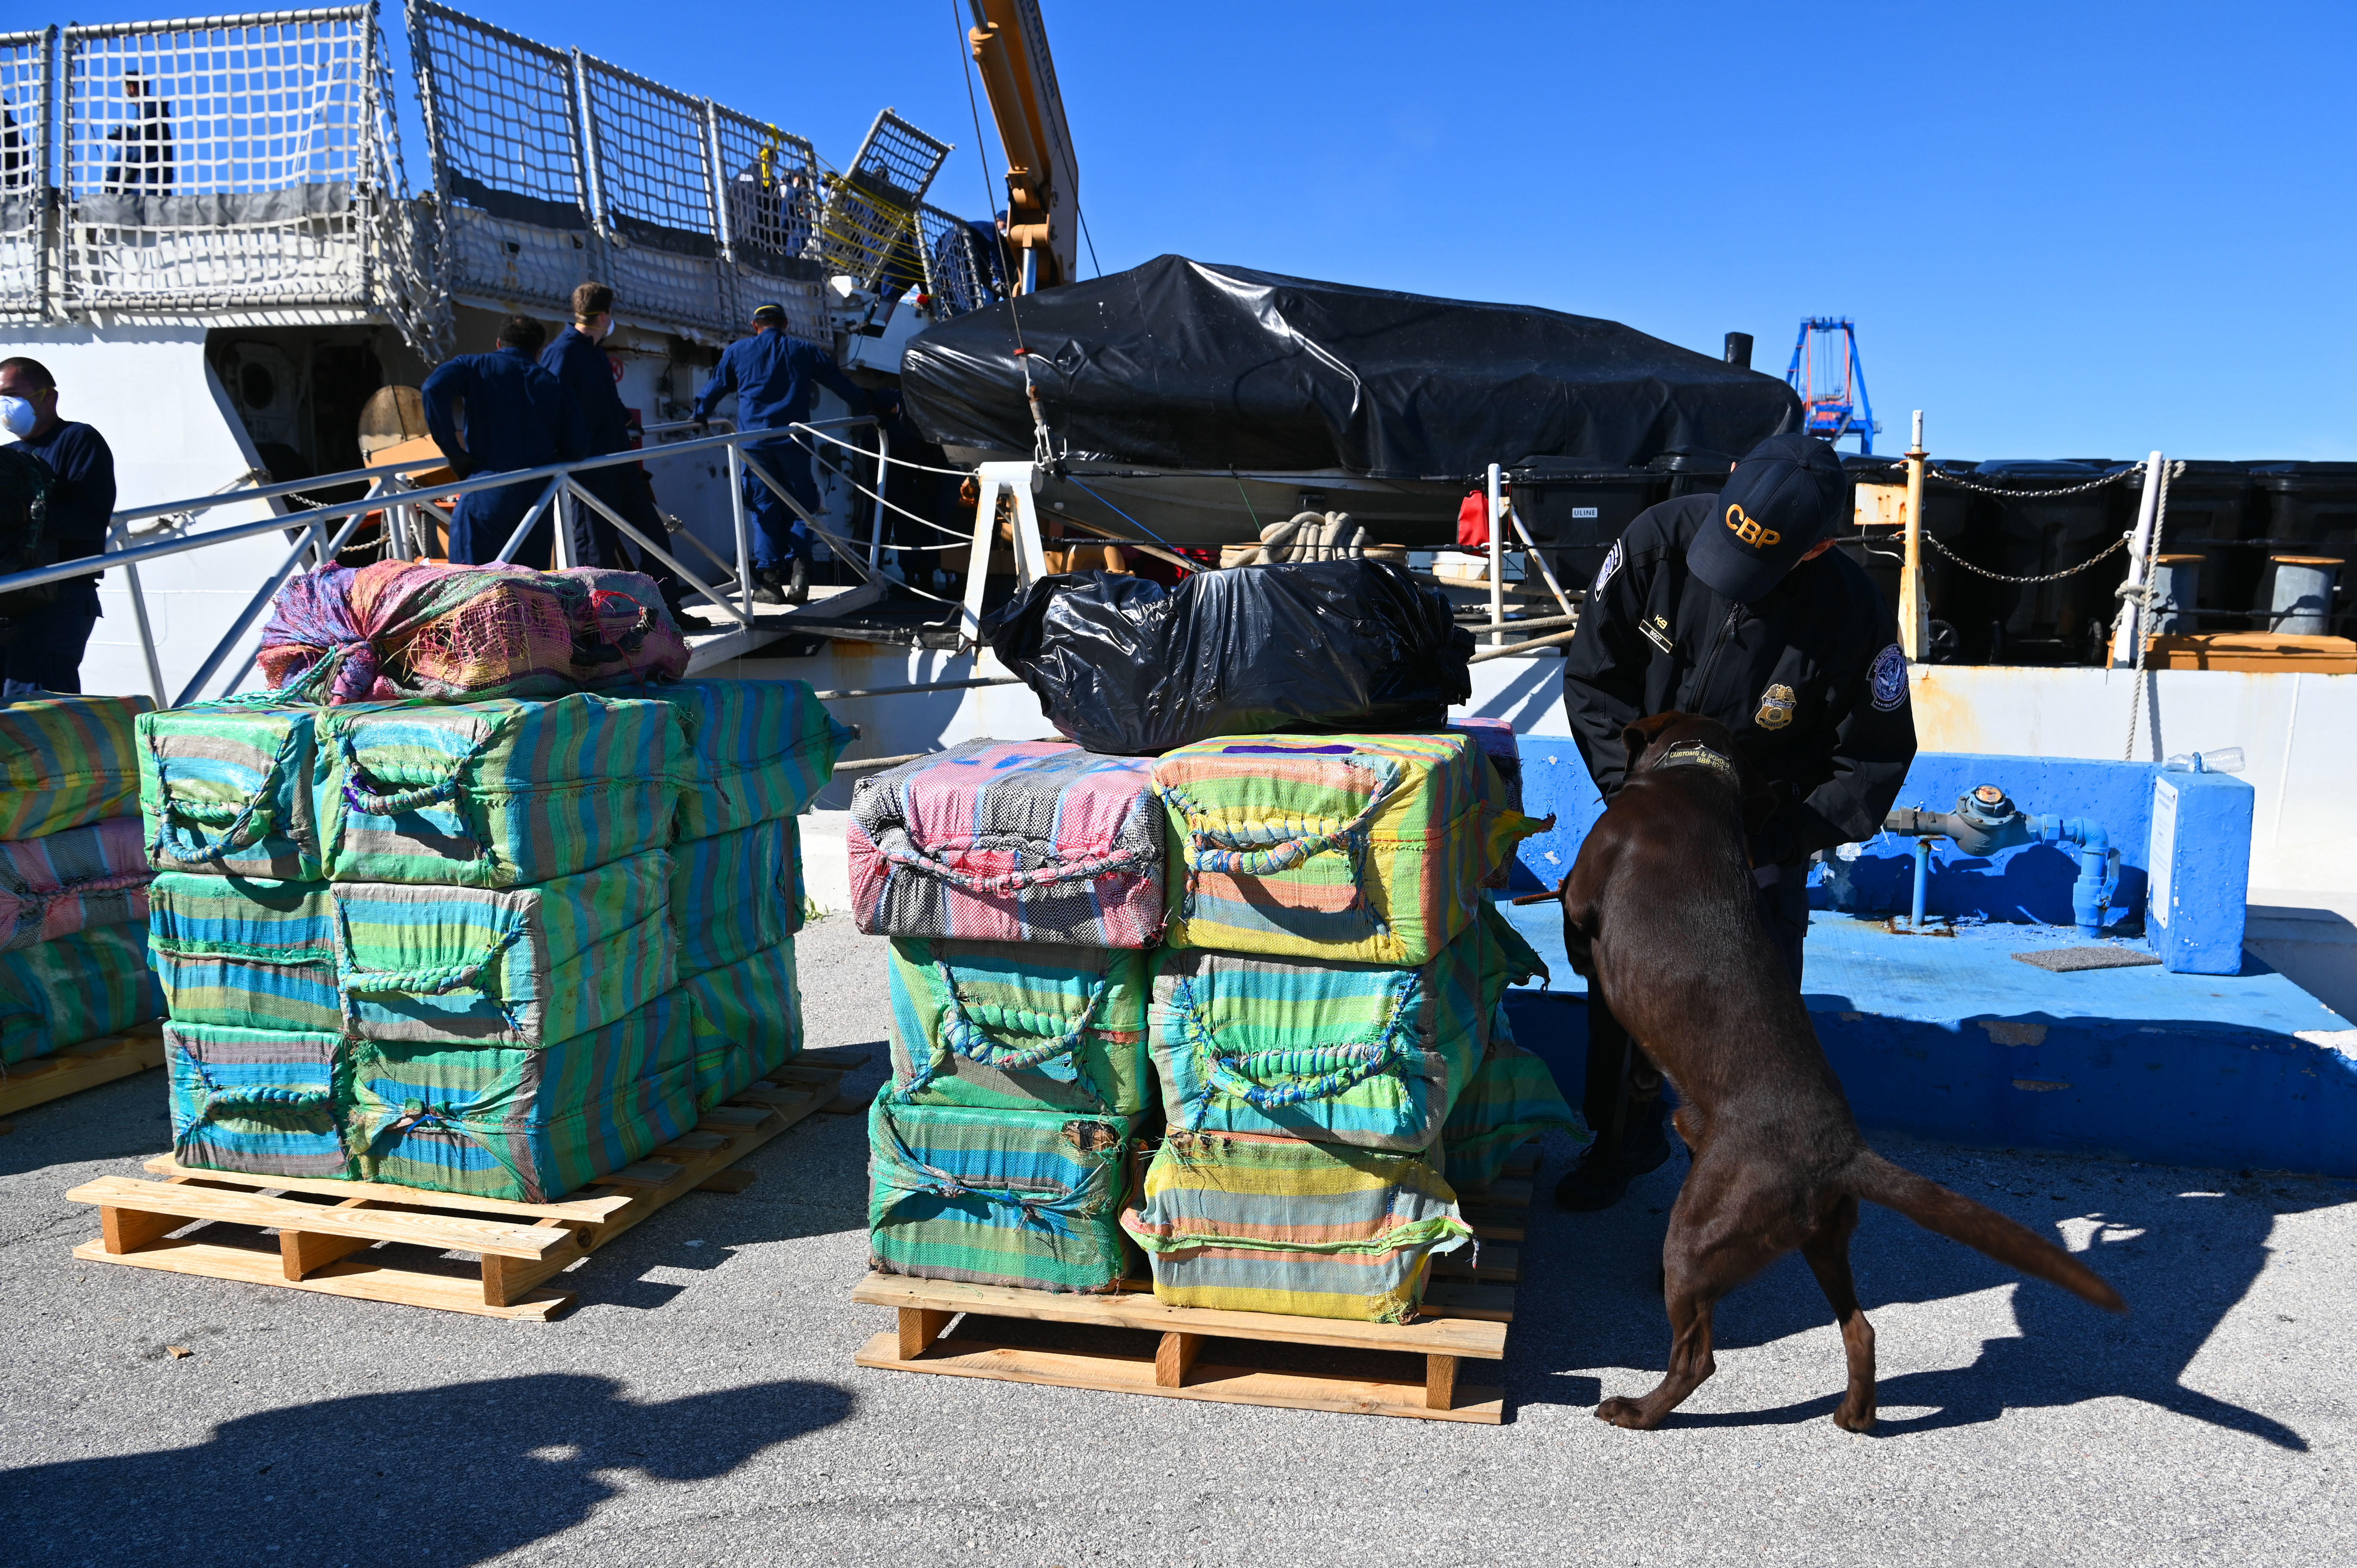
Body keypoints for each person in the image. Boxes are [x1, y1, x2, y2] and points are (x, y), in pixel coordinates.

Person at [1552, 432, 1918, 1212]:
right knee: (1620, 1011)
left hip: (1753, 862)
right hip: (1644, 835)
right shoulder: (1654, 542)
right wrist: (1634, 799)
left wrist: (1771, 841)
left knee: (1741, 1042)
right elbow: (1592, 678)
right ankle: (1619, 1144)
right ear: (1726, 482)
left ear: (1818, 547)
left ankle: (1717, 1203)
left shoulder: (1853, 615)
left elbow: (1872, 765)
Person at [693, 301, 868, 605]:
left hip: (755, 444)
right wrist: (871, 407)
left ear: (754, 326)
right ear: (786, 324)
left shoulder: (737, 351)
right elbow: (840, 383)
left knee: (764, 511)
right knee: (802, 507)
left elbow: (716, 386)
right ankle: (801, 572)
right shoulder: (803, 350)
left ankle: (771, 584)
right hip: (793, 443)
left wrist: (700, 412)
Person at [420, 315, 591, 568]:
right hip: (535, 501)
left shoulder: (474, 366)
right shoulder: (555, 385)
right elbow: (577, 448)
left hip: (486, 494)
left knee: (473, 591)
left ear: (499, 343)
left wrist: (453, 451)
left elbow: (433, 388)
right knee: (529, 593)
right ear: (539, 351)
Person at [0, 356, 116, 697]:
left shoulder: (78, 439)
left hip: (59, 599)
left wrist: (23, 513)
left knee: (41, 704)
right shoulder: (8, 458)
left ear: (47, 397)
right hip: (12, 600)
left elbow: (91, 520)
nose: (4, 405)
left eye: (12, 394)